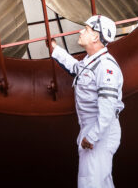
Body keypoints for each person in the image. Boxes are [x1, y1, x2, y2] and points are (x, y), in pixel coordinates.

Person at [49, 14, 124, 188]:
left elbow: (107, 107)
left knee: (90, 183)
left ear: (96, 37)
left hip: (100, 130)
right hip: (93, 128)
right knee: (100, 182)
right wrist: (55, 49)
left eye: (87, 29)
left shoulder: (106, 67)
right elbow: (75, 68)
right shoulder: (91, 62)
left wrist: (92, 136)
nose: (81, 32)